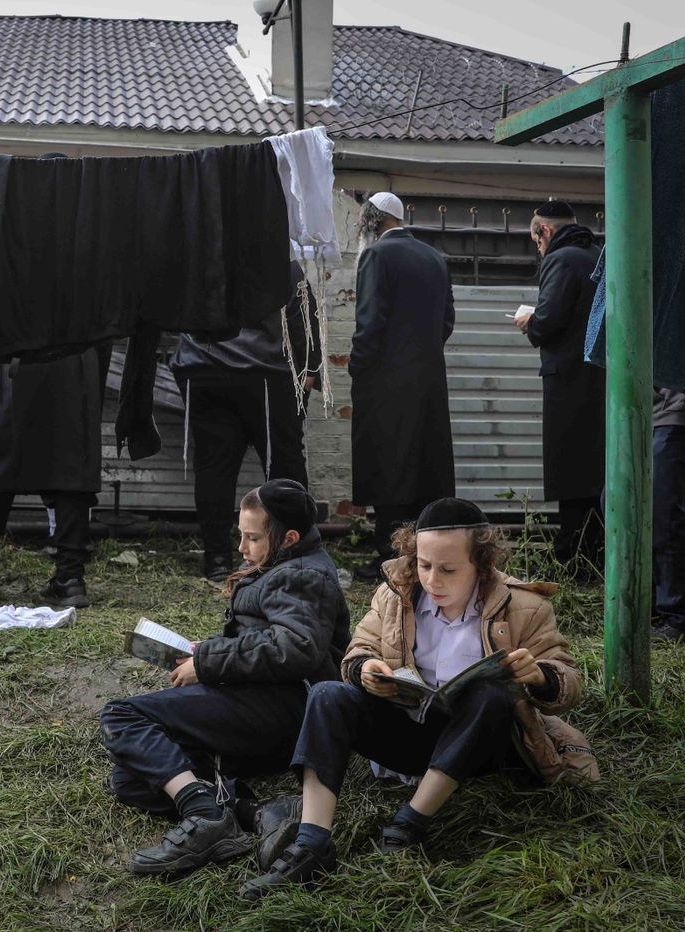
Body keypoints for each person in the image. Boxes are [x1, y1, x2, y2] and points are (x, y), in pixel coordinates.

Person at [240, 498, 592, 900]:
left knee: (492, 694)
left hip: (480, 746)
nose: (432, 580)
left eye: (448, 569)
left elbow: (567, 680)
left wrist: (540, 677)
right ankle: (312, 842)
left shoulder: (525, 606)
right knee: (326, 695)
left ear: (481, 562)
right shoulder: (393, 594)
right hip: (409, 733)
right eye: (424, 565)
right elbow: (359, 650)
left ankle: (408, 823)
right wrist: (366, 671)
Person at [99, 479, 350, 876]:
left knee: (122, 717)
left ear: (288, 537)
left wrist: (208, 662)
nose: (241, 548)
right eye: (240, 535)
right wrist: (203, 649)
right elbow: (264, 637)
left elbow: (296, 649)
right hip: (259, 700)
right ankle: (256, 812)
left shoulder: (303, 575)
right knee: (132, 778)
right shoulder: (282, 563)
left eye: (252, 538)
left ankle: (204, 815)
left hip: (285, 711)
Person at [171, 261, 321, 582]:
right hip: (268, 376)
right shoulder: (284, 266)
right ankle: (291, 555)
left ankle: (217, 560)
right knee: (284, 467)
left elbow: (174, 312)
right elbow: (303, 323)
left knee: (214, 469)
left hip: (205, 372)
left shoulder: (201, 262)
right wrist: (308, 375)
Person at [348, 192, 456, 581]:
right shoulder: (434, 258)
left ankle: (389, 561)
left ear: (373, 221)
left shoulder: (376, 257)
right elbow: (447, 321)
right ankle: (424, 561)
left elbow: (369, 322)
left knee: (388, 467)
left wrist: (358, 368)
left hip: (385, 385)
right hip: (428, 382)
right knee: (422, 470)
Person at [0, 344, 105, 609]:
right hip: (74, 357)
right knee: (70, 468)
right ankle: (71, 578)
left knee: (0, 463)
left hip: (18, 354)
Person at [518, 199, 605, 574]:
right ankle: (596, 554)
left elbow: (548, 324)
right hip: (599, 381)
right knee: (594, 474)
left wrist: (528, 320)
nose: (538, 249)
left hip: (568, 382)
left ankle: (572, 558)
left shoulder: (560, 259)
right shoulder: (597, 255)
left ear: (546, 231)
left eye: (536, 241)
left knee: (569, 472)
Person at [652, 387, 685, 642]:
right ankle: (652, 603)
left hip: (675, 413)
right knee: (611, 501)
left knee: (664, 514)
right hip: (644, 414)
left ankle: (677, 616)